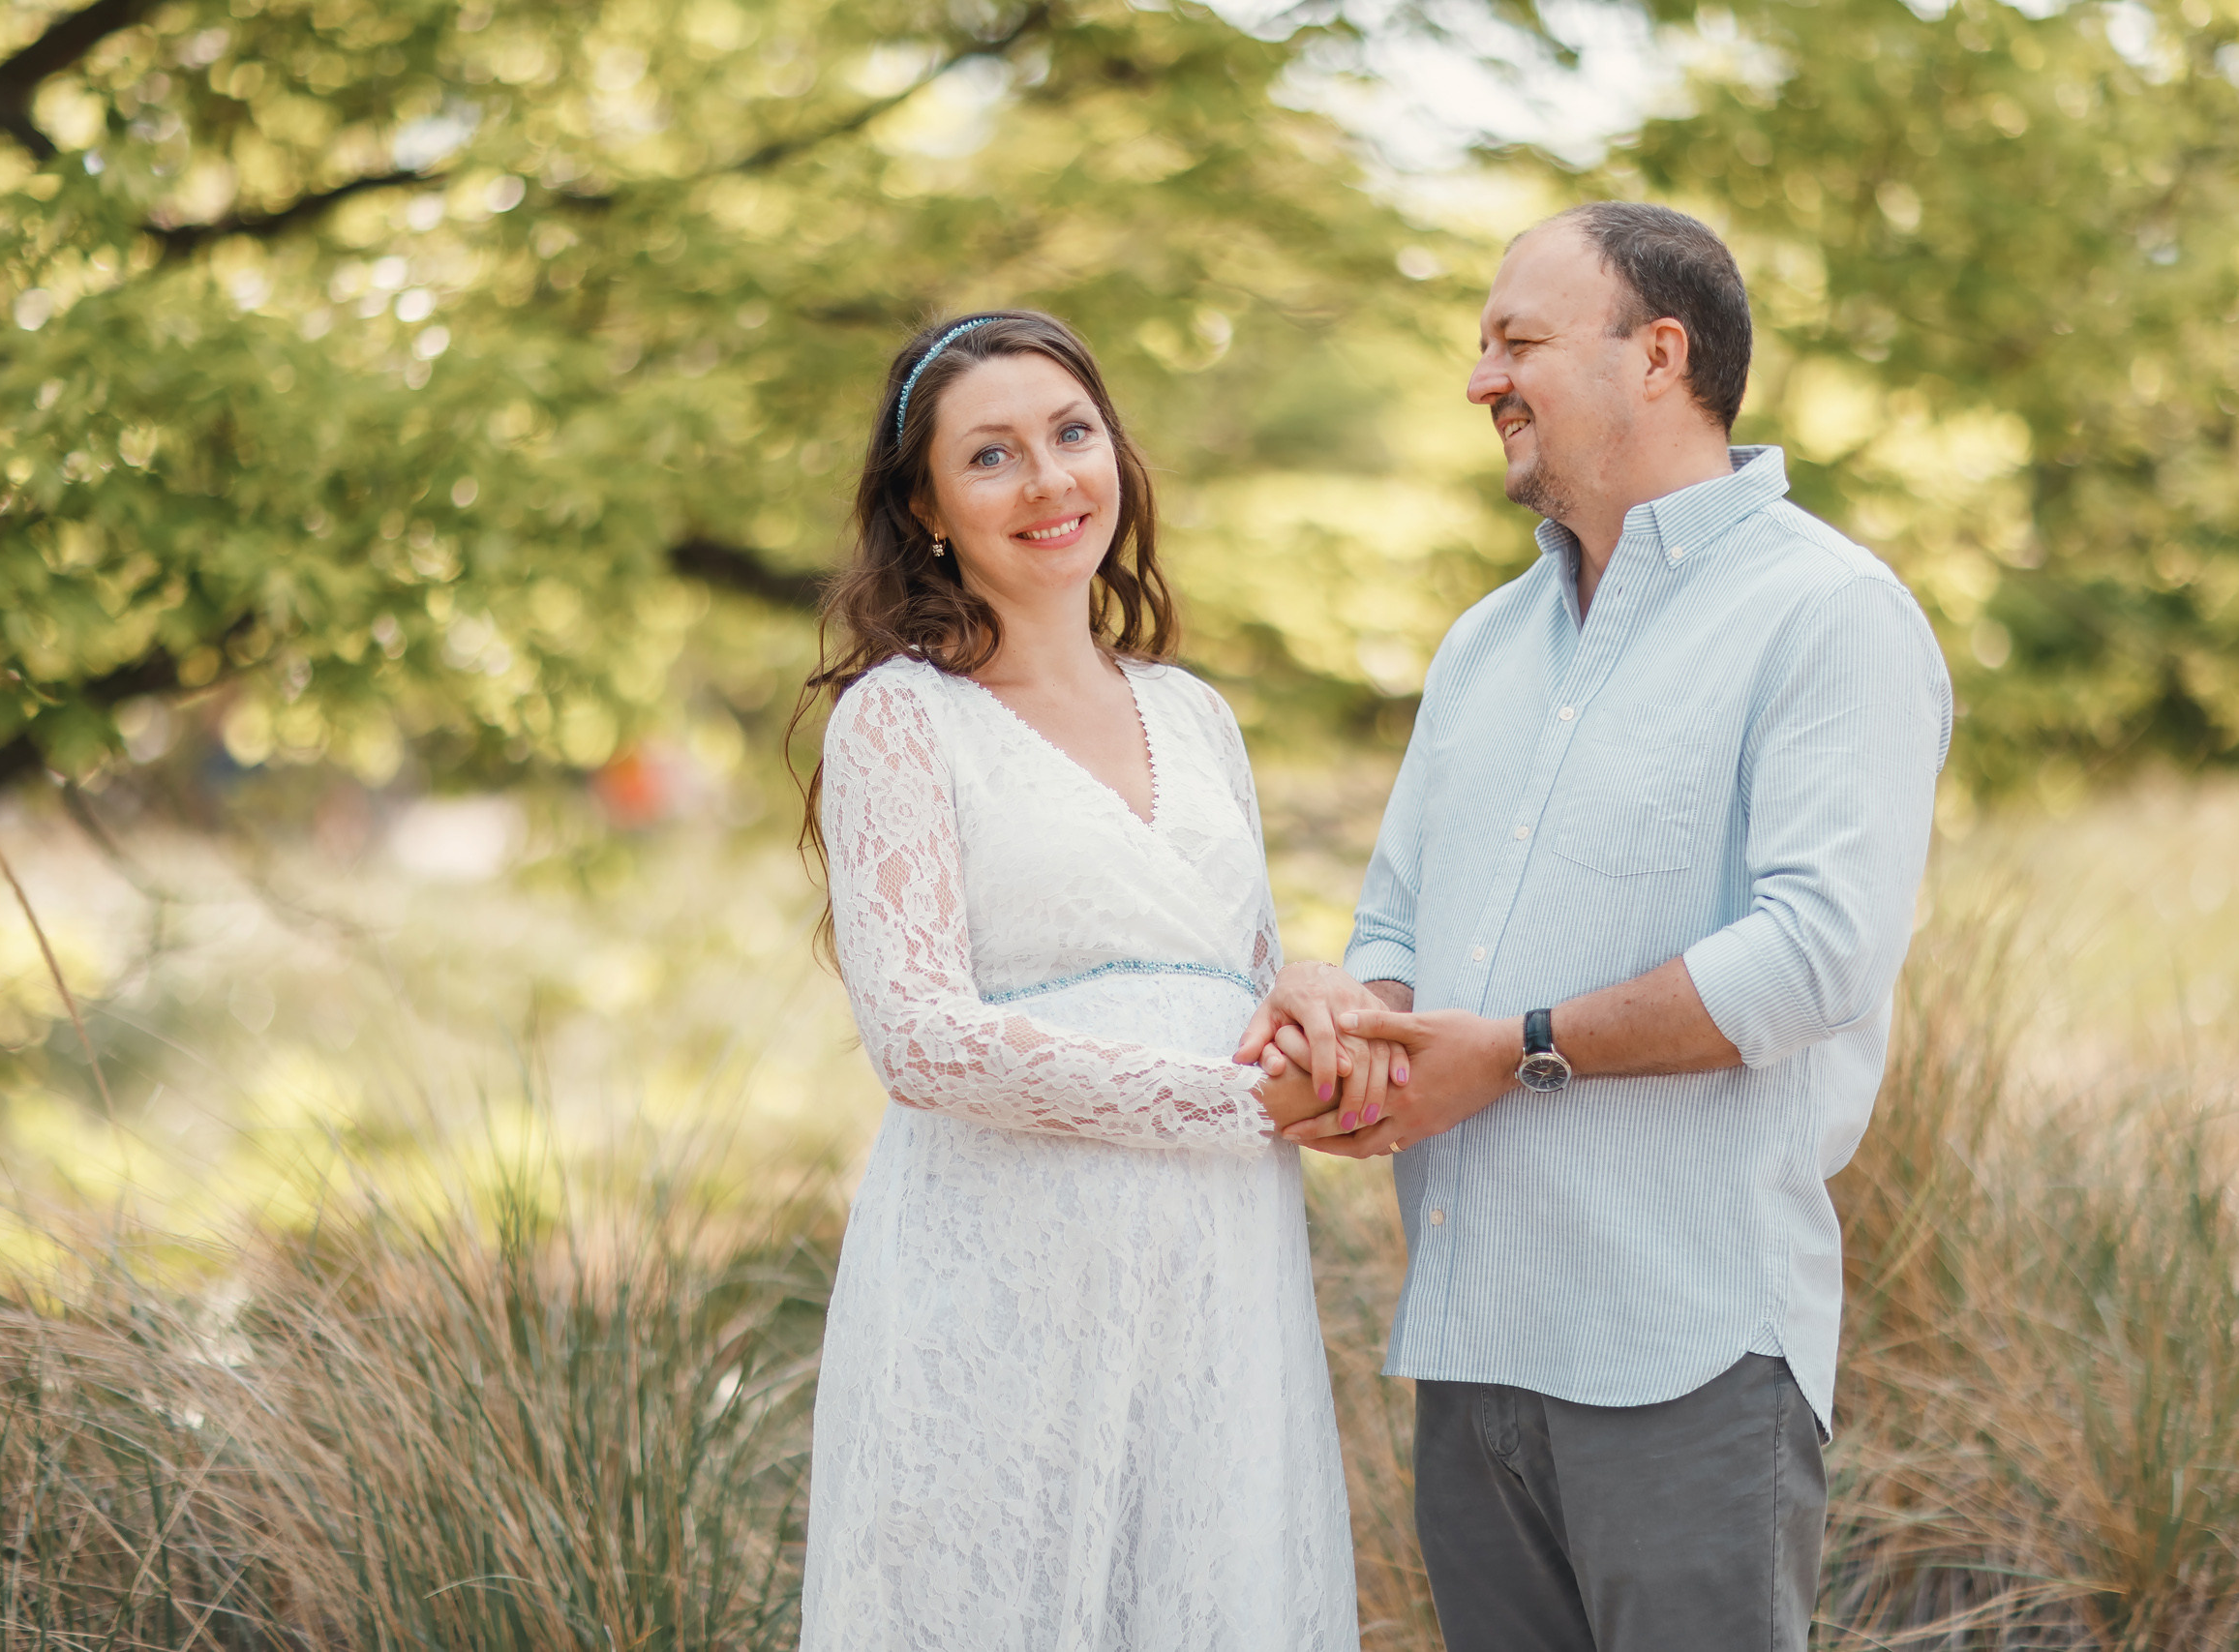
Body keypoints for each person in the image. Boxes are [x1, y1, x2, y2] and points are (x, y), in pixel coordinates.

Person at [1237, 202, 1953, 1650]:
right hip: (1471, 1346)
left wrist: (1515, 1051)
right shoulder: (1482, 643)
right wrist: (1355, 1038)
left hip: (1685, 1352)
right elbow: (1395, 924)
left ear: (1659, 356)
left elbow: (1815, 955)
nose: (1479, 380)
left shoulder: (1829, 613)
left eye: (1518, 342)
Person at [793, 310, 1361, 1651]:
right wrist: (1234, 1106)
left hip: (1219, 1271)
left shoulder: (1195, 712)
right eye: (991, 457)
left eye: (1071, 434)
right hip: (1006, 1270)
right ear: (925, 509)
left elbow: (1250, 973)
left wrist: (1323, 995)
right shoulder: (899, 718)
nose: (1051, 481)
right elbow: (922, 1042)